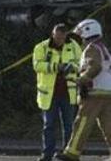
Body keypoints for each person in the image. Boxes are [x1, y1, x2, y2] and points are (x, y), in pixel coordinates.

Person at [56, 19, 111, 161]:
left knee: (82, 122)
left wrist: (82, 80)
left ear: (88, 31)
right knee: (108, 125)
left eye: (80, 35)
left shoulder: (91, 48)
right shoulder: (102, 48)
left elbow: (95, 67)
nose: (80, 38)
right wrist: (76, 69)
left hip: (94, 93)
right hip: (107, 92)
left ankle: (72, 153)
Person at [32, 23, 82, 161]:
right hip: (49, 94)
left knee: (69, 125)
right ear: (53, 34)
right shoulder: (41, 47)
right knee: (49, 125)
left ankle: (68, 153)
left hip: (68, 93)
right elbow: (37, 65)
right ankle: (47, 154)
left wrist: (71, 67)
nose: (59, 40)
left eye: (62, 37)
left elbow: (82, 64)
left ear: (66, 35)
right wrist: (56, 67)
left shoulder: (73, 46)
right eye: (57, 37)